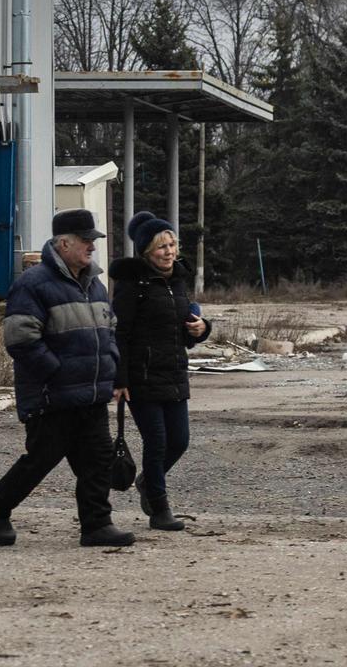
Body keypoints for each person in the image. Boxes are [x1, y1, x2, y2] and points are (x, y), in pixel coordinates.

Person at [0, 209, 135, 548]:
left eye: (93, 241)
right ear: (63, 243)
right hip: (52, 395)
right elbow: (20, 339)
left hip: (91, 394)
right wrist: (57, 372)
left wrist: (113, 370)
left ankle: (96, 525)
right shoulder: (33, 285)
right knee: (41, 460)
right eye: (86, 241)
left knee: (97, 461)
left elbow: (110, 332)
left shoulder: (96, 286)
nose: (92, 247)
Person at [111, 211, 211, 531]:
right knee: (156, 442)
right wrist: (120, 378)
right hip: (141, 376)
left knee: (179, 441)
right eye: (160, 247)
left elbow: (183, 328)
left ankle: (147, 482)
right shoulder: (132, 285)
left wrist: (201, 328)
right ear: (146, 252)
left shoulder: (178, 281)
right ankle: (159, 508)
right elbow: (120, 334)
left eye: (172, 245)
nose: (169, 252)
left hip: (175, 372)